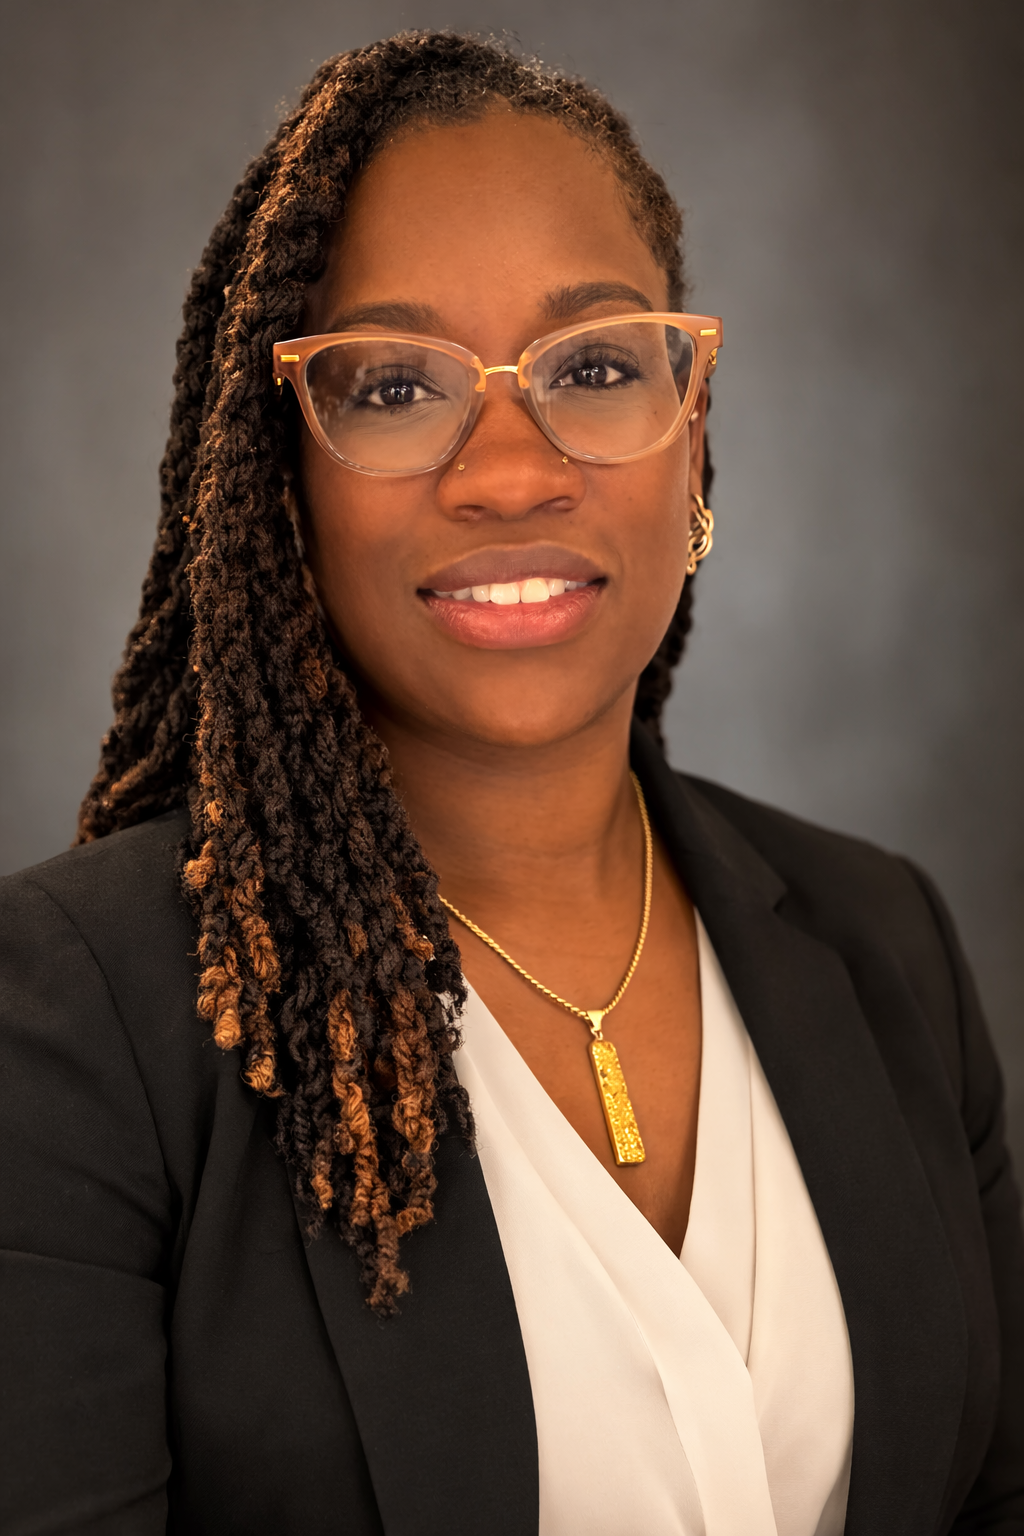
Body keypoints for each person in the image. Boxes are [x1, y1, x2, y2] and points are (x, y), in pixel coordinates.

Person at [1, 29, 1021, 1536]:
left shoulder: (888, 943)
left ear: (693, 433)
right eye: (396, 387)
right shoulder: (76, 1024)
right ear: (282, 480)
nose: (509, 471)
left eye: (595, 368)